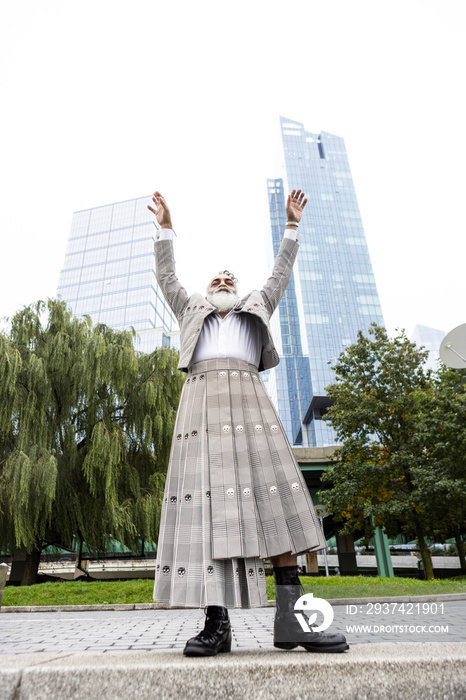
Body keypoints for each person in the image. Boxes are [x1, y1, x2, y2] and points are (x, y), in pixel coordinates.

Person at [148, 190, 349, 656]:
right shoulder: (190, 309)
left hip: (252, 410)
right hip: (200, 409)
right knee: (208, 513)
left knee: (277, 505)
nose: (223, 280)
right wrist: (165, 228)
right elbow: (166, 275)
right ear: (207, 289)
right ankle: (216, 626)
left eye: (229, 277)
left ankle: (294, 623)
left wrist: (292, 227)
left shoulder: (256, 305)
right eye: (217, 277)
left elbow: (280, 273)